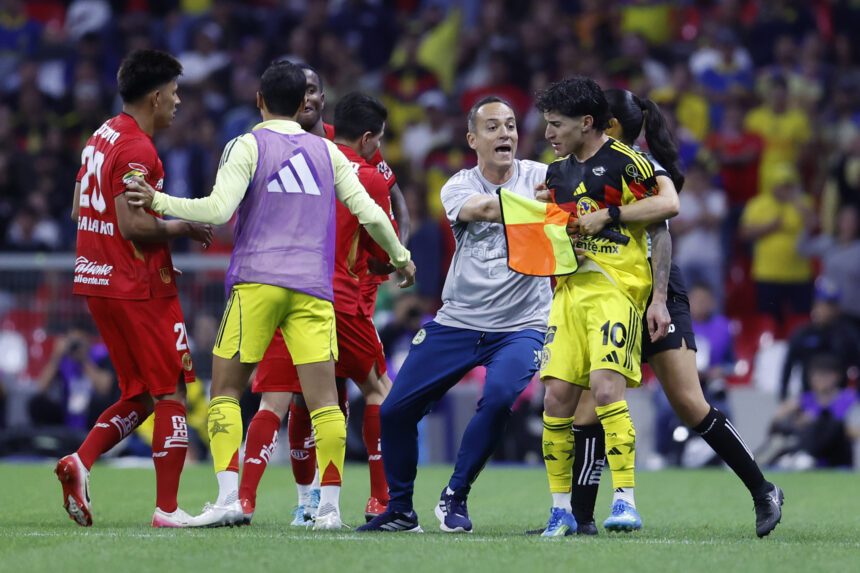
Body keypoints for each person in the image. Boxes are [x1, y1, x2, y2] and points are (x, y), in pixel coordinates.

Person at [125, 60, 415, 530]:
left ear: (259, 100)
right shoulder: (329, 152)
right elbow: (371, 214)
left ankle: (229, 498)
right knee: (325, 402)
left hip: (257, 284)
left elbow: (216, 210)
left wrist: (157, 200)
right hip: (314, 291)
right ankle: (329, 508)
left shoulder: (247, 144)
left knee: (226, 389)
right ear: (304, 104)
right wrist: (401, 257)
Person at [541, 87, 783, 538]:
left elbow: (663, 229)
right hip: (606, 294)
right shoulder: (576, 169)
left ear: (607, 124)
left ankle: (763, 489)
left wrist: (657, 300)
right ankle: (581, 518)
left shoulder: (640, 166)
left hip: (657, 293)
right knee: (589, 405)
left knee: (689, 404)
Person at [357, 96, 551, 533]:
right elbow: (484, 210)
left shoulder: (542, 175)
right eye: (492, 127)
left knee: (499, 398)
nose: (505, 133)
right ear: (472, 139)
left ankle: (455, 495)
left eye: (510, 125)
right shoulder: (457, 186)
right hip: (458, 321)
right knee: (394, 411)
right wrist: (546, 207)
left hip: (523, 325)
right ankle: (401, 511)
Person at [55, 49, 213, 528]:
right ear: (155, 96)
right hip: (136, 288)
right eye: (175, 93)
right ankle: (168, 509)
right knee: (171, 393)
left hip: (99, 280)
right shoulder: (138, 148)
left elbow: (81, 209)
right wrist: (181, 227)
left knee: (141, 395)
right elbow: (132, 225)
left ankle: (80, 461)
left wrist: (151, 252)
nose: (178, 102)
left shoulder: (102, 135)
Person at [238, 90, 402, 527]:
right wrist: (396, 261)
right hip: (339, 299)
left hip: (282, 290)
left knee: (279, 400)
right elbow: (380, 249)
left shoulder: (295, 161)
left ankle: (247, 500)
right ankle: (378, 499)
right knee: (374, 391)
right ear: (368, 138)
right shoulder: (367, 176)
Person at [534, 78, 668, 537]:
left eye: (557, 124)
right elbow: (556, 235)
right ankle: (560, 510)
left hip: (616, 288)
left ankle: (625, 499)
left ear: (586, 122)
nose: (549, 133)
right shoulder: (556, 174)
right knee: (555, 399)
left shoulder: (628, 163)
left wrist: (659, 298)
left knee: (606, 389)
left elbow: (662, 220)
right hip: (568, 292)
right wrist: (554, 228)